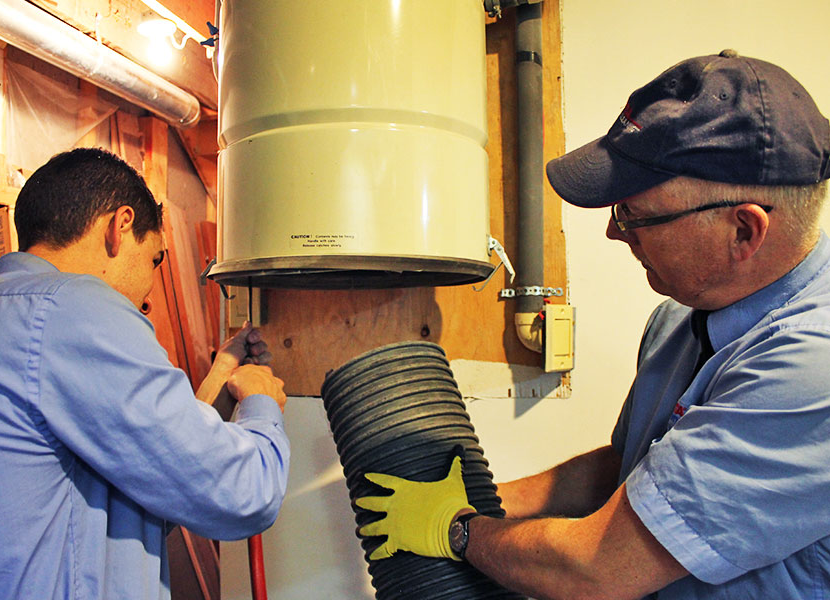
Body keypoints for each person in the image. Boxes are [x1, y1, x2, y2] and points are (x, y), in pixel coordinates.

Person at [355, 50, 830, 599]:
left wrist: (458, 530)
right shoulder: (678, 321)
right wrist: (487, 498)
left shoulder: (809, 367)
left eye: (634, 216)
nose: (614, 234)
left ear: (744, 231)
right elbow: (628, 472)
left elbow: (598, 569)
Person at [0, 148, 290, 599]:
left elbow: (143, 474)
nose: (149, 292)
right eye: (156, 260)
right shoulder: (75, 309)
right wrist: (260, 403)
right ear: (120, 226)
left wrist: (220, 375)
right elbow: (241, 493)